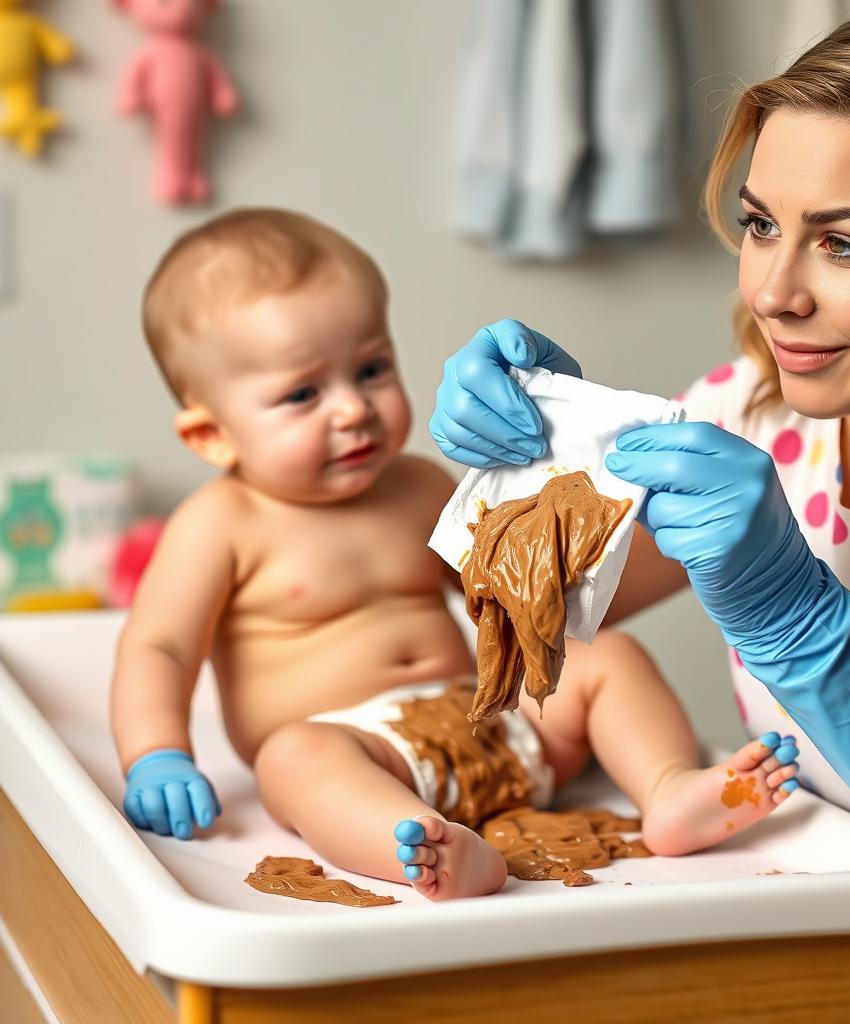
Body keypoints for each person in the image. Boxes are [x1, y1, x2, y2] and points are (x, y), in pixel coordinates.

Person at [429, 0, 850, 862]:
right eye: (761, 225)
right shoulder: (750, 410)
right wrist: (535, 451)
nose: (774, 293)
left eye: (844, 245)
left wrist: (792, 617)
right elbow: (484, 614)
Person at [109, 208, 799, 903]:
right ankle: (423, 841)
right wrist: (157, 756)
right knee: (290, 758)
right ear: (210, 435)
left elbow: (507, 594)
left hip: (487, 720)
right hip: (363, 751)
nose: (352, 409)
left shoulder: (419, 486)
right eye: (303, 393)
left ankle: (668, 788)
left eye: (372, 369)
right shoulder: (218, 524)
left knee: (605, 658)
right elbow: (159, 648)